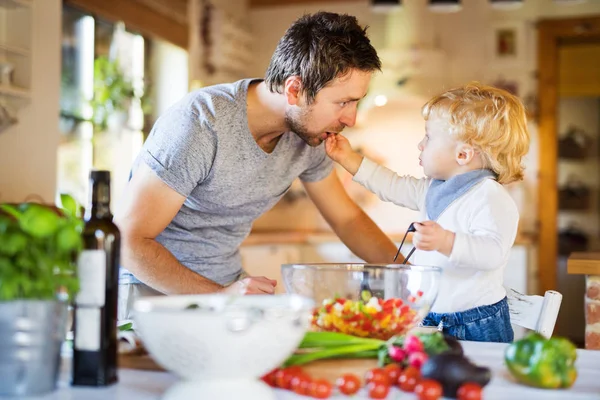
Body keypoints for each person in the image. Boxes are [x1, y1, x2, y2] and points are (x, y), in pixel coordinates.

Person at [113, 11, 398, 319]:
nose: (351, 119)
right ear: (294, 90)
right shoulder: (201, 123)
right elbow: (128, 240)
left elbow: (348, 220)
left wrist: (408, 275)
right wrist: (221, 297)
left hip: (225, 289)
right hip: (153, 295)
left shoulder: (309, 136)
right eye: (343, 102)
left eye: (357, 102)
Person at [324, 82, 530, 342]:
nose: (421, 145)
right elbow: (393, 186)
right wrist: (348, 159)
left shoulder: (489, 196)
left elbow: (492, 253)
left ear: (463, 154)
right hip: (432, 317)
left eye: (429, 137)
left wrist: (446, 241)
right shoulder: (435, 189)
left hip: (475, 323)